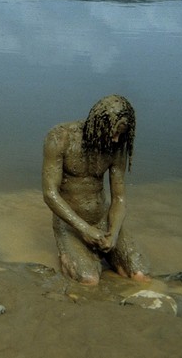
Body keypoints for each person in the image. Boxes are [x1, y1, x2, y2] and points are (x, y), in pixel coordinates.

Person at [42, 95, 150, 285]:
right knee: (89, 280)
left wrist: (114, 233)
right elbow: (50, 194)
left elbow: (119, 199)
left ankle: (102, 256)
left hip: (102, 221)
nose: (116, 139)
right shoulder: (61, 137)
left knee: (140, 276)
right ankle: (76, 255)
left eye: (121, 134)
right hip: (70, 224)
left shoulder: (116, 147)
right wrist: (84, 229)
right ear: (97, 124)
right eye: (113, 133)